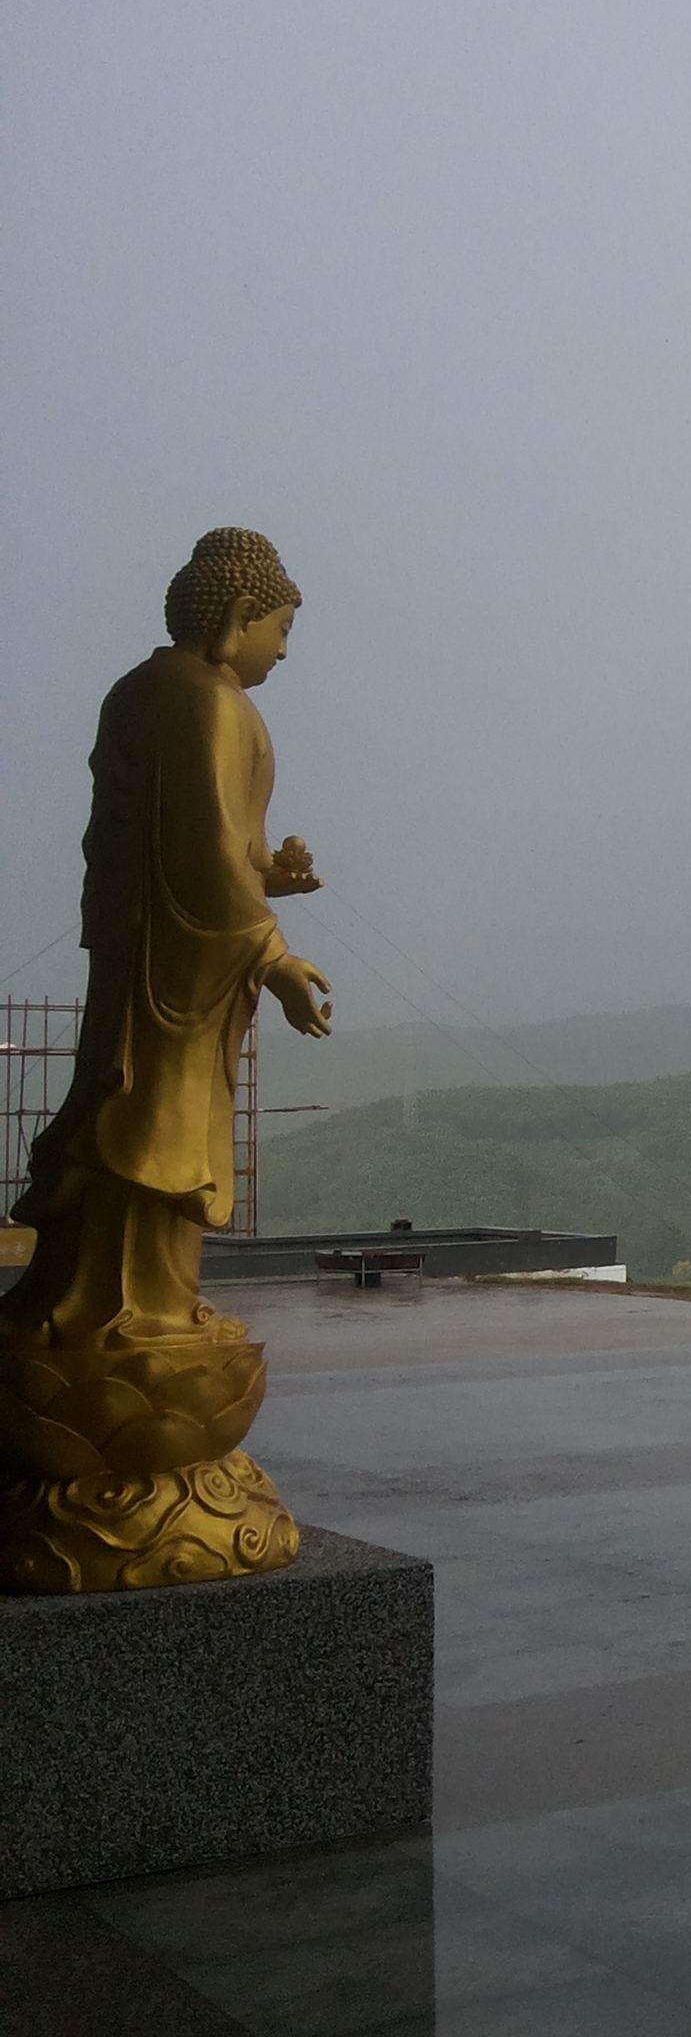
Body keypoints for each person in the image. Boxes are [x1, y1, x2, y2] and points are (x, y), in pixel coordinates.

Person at [3, 528, 333, 1589]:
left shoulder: (145, 693)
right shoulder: (203, 699)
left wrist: (265, 877)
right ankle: (128, 1322)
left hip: (155, 962)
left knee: (137, 1127)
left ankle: (115, 1314)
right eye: (281, 630)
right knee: (154, 1132)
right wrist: (272, 955)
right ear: (238, 619)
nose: (285, 652)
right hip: (172, 976)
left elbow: (200, 847)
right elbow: (194, 857)